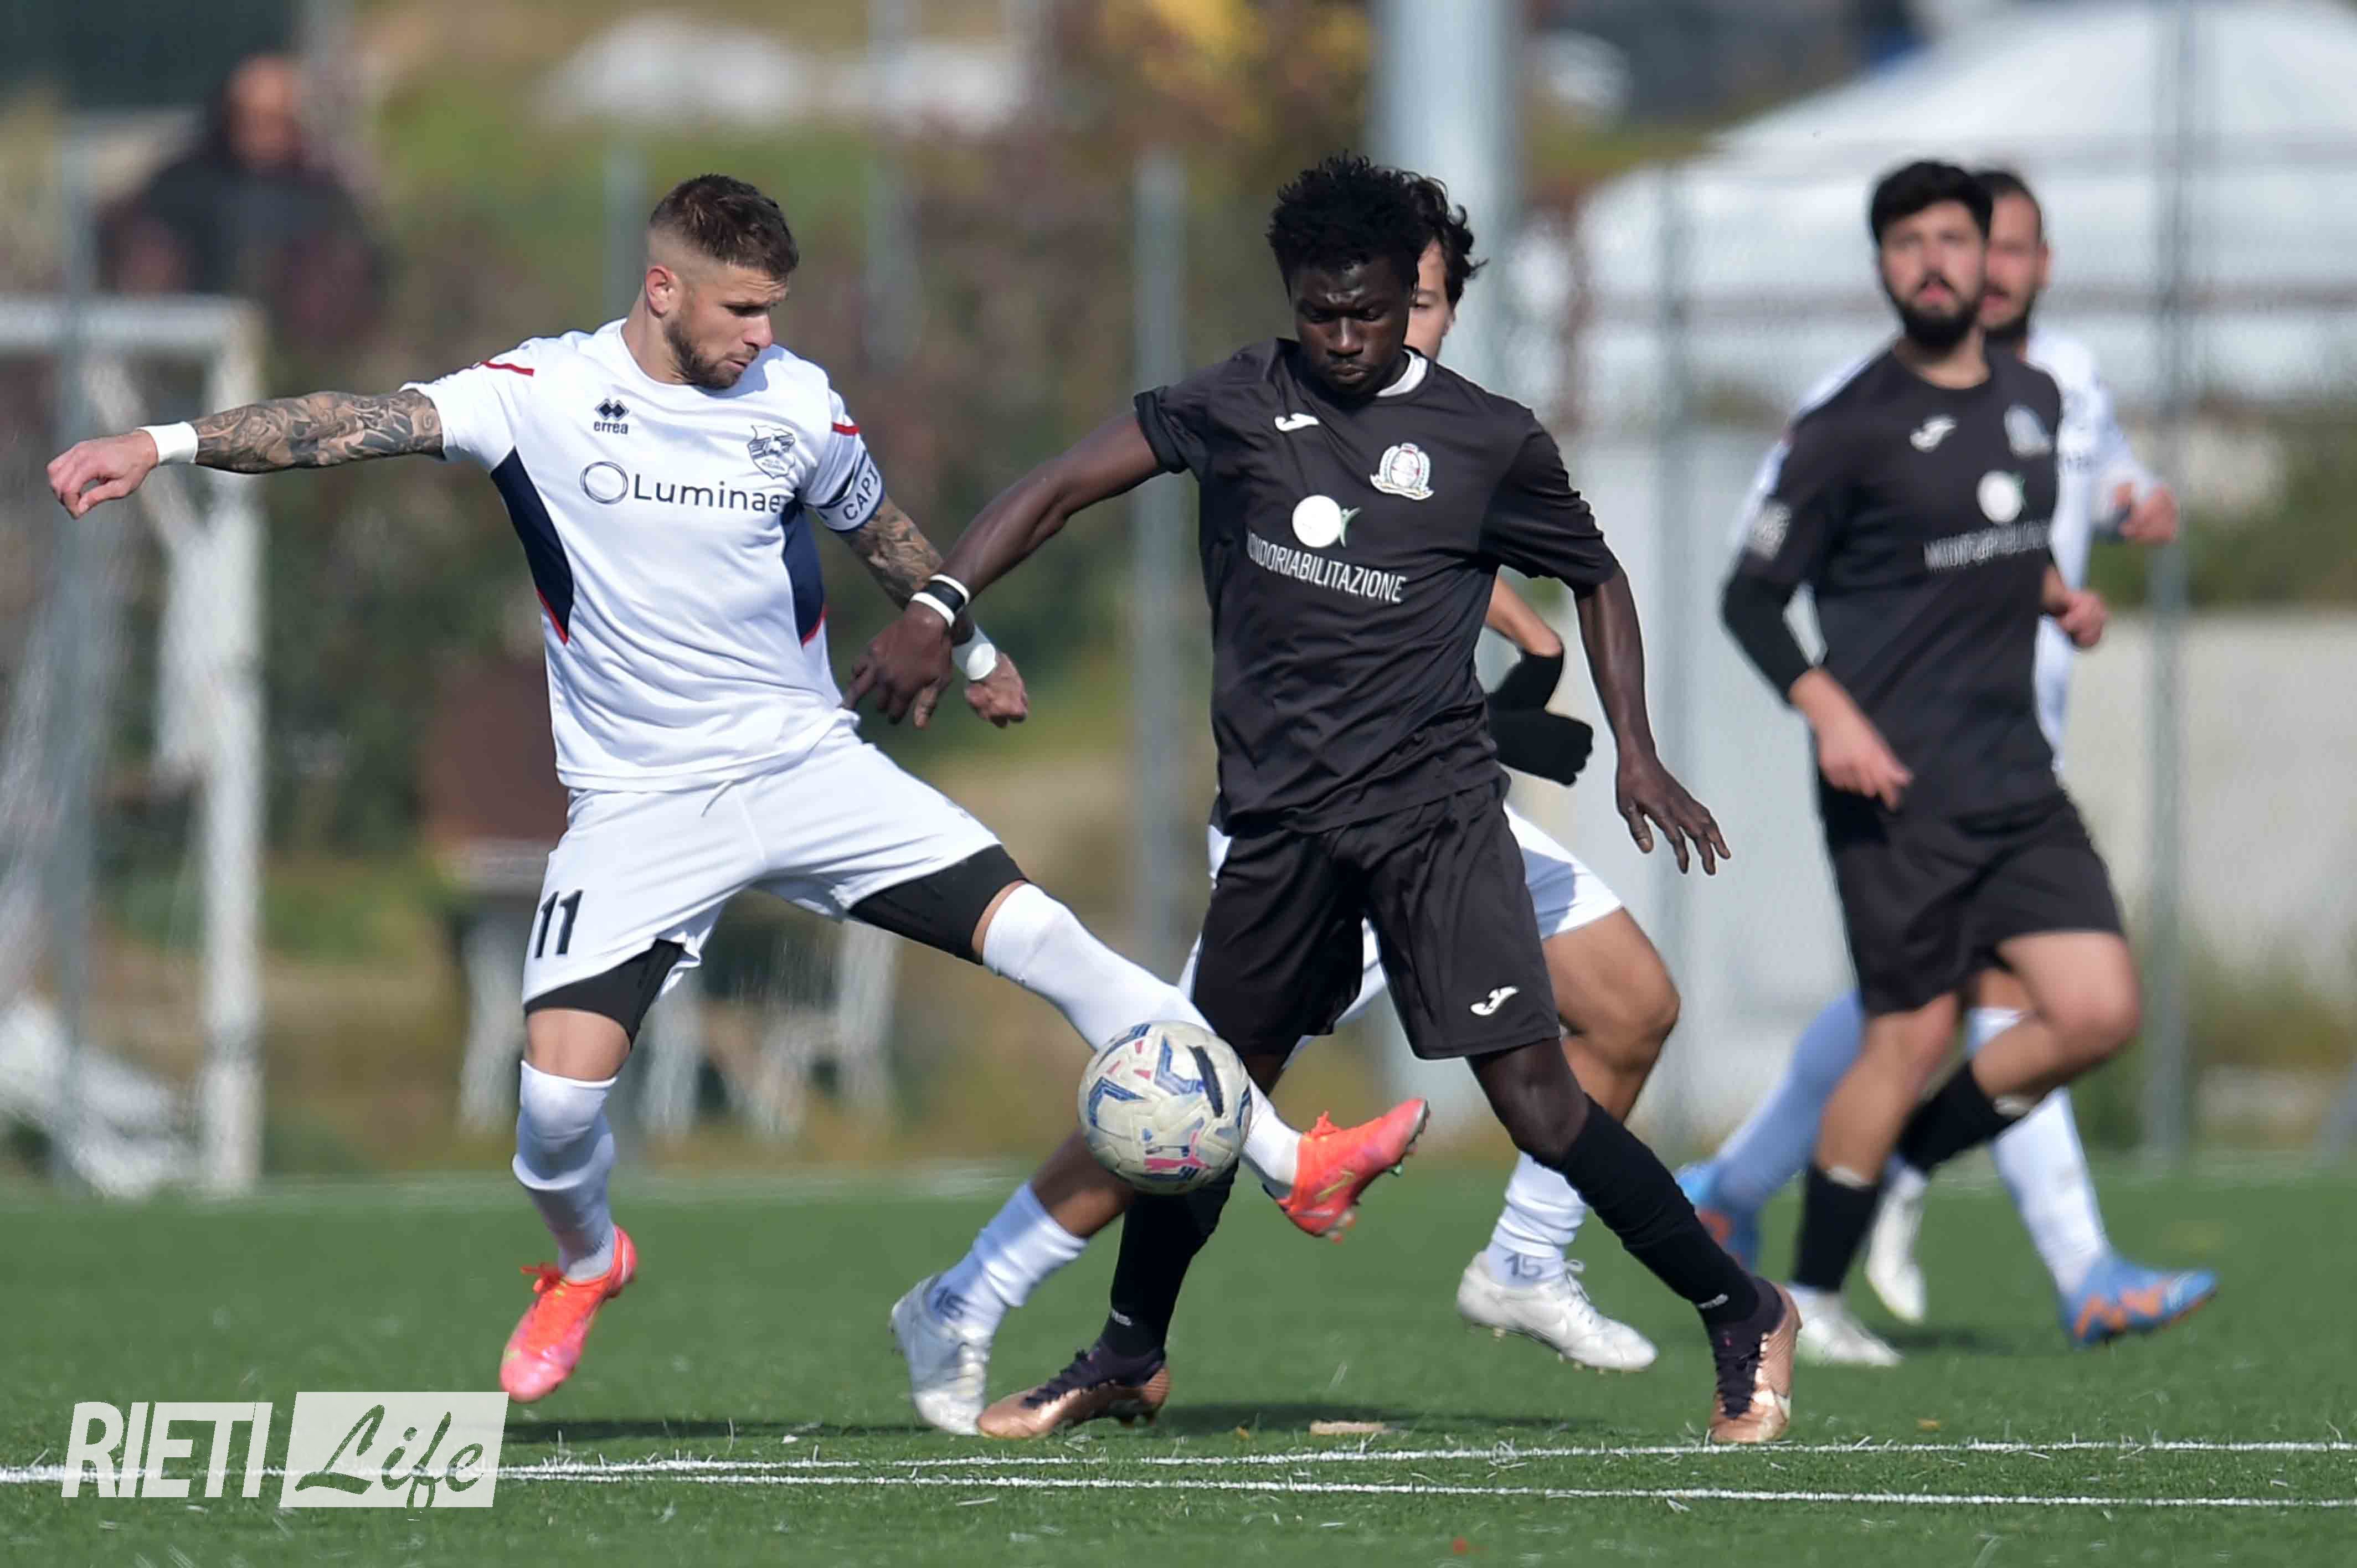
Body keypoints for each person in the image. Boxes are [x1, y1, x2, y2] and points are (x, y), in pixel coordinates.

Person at [47, 172, 1423, 1407]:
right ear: (664, 289)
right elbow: (351, 423)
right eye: (743, 309)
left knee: (1051, 939)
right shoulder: (536, 393)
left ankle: (1293, 1164)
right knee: (555, 1117)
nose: (763, 334)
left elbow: (879, 528)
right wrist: (160, 444)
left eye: (775, 310)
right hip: (641, 808)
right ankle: (588, 1261)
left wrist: (970, 643)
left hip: (809, 769)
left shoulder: (797, 401)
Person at [851, 153, 1798, 1446]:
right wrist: (940, 604)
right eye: (1320, 312)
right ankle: (1129, 1349)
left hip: (1433, 823)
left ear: (1412, 294)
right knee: (1206, 1095)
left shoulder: (1485, 437)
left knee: (1536, 1098)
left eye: (1369, 312)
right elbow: (1062, 485)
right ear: (1290, 295)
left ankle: (1740, 1308)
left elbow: (1598, 576)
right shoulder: (1237, 401)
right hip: (1280, 829)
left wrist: (1635, 747)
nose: (1344, 338)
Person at [1681, 167, 2214, 1361]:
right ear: (1883, 266)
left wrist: (2057, 595)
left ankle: (1904, 1162)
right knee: (1908, 1036)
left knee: (2097, 1010)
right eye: (1907, 242)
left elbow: (1995, 536)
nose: (1933, 261)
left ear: (1991, 259)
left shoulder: (2036, 399)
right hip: (1897, 785)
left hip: (2016, 774)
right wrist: (1830, 713)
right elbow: (1750, 597)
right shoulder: (1846, 424)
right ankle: (1809, 1295)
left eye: (1954, 240)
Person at [104, 54, 383, 347]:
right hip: (189, 338)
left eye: (273, 120)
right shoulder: (186, 182)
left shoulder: (321, 192)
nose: (260, 132)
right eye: (248, 118)